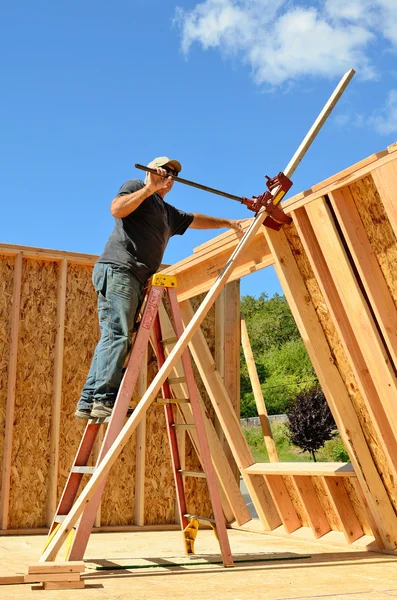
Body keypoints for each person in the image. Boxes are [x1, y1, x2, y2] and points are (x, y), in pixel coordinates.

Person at [75, 156, 246, 419]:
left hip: (134, 277)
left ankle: (90, 400)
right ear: (151, 172)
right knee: (117, 335)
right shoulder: (135, 187)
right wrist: (149, 188)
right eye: (165, 171)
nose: (169, 177)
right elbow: (117, 209)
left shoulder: (167, 213)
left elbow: (195, 219)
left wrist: (227, 223)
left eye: (172, 175)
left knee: (115, 335)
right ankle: (103, 399)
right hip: (120, 269)